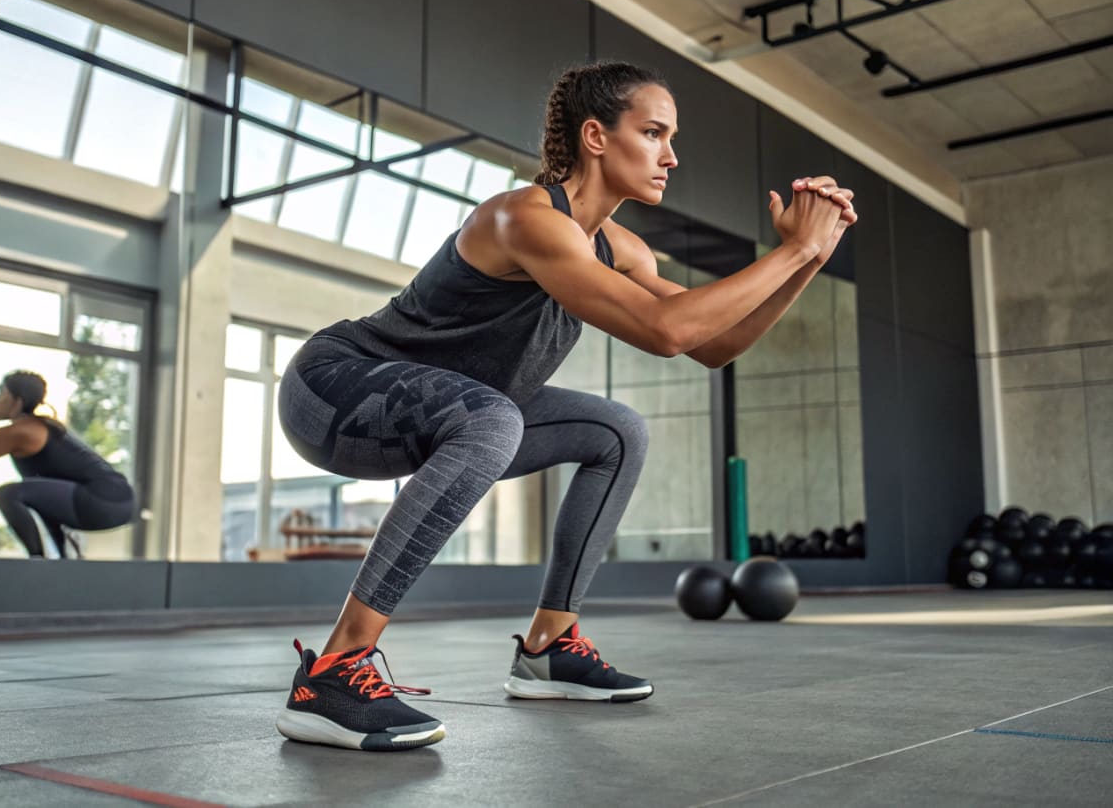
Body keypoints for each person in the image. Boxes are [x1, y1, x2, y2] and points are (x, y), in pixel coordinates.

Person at [274, 61, 857, 751]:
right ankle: (334, 673)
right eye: (652, 132)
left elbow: (715, 343)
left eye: (671, 137)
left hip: (456, 414)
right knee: (495, 418)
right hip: (335, 390)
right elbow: (667, 333)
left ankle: (549, 647)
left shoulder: (622, 249)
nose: (671, 155)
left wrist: (808, 258)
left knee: (616, 431)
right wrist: (791, 248)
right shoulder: (523, 217)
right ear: (596, 136)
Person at [0, 370, 136, 558]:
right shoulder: (35, 427)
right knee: (34, 496)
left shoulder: (24, 431)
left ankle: (39, 559)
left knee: (8, 494)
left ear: (17, 401)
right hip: (114, 500)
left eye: (1, 393)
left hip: (104, 498)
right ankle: (60, 556)